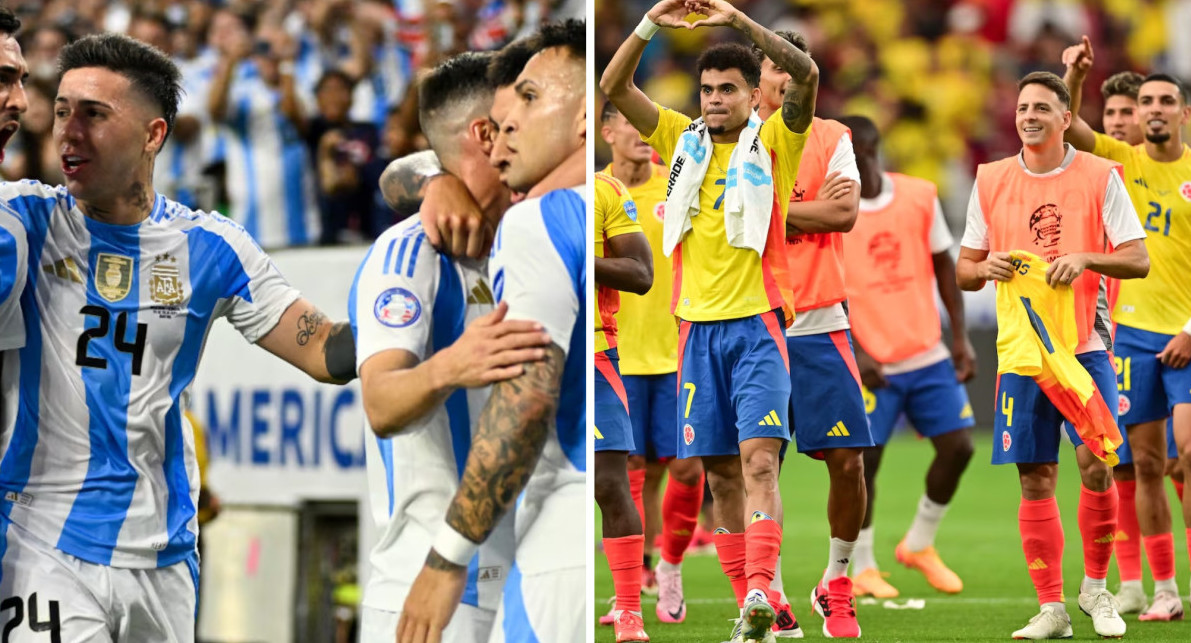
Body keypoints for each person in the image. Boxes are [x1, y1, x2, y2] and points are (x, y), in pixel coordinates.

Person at [0, 32, 357, 641]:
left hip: (164, 555)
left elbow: (324, 350)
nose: (68, 131)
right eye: (60, 111)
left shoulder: (211, 248)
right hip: (40, 542)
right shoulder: (24, 223)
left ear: (153, 135)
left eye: (93, 114)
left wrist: (413, 313)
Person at [601, 0, 832, 638]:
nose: (714, 99)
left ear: (752, 94)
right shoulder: (681, 140)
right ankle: (758, 612)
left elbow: (806, 75)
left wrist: (736, 21)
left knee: (759, 462)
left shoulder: (776, 140)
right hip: (694, 333)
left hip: (757, 326)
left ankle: (762, 591)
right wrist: (651, 22)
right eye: (706, 89)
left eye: (727, 89)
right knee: (721, 474)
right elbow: (613, 88)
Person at [397, 19, 587, 643]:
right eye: (498, 126)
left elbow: (528, 399)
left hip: (559, 546)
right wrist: (433, 178)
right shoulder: (632, 202)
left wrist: (446, 558)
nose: (505, 139)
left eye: (529, 102)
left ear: (584, 117)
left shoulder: (537, 223)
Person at [351, 51, 547, 643]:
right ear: (486, 135)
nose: (534, 131)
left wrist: (430, 177)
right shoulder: (410, 255)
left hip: (520, 581)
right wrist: (452, 365)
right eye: (520, 116)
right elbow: (382, 403)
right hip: (432, 595)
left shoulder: (524, 238)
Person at [956, 71, 1149, 639]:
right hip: (1022, 355)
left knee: (1098, 464)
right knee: (1034, 476)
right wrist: (982, 269)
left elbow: (1137, 259)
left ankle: (1097, 591)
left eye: (1042, 106)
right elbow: (966, 269)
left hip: (1085, 348)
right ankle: (1052, 609)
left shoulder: (1099, 175)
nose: (1029, 116)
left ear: (1067, 117)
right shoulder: (990, 178)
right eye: (1022, 107)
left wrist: (1087, 257)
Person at [1062, 35, 1191, 622]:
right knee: (1143, 464)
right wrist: (1076, 77)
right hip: (1134, 337)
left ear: (1184, 113)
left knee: (1187, 454)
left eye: (1168, 101)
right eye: (1149, 103)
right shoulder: (1123, 162)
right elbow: (1070, 131)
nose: (1156, 110)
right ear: (1139, 115)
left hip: (1187, 333)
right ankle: (1163, 588)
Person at [753, 31, 876, 634]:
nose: (787, 80)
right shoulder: (730, 139)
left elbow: (845, 215)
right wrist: (800, 209)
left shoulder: (832, 137)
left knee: (848, 461)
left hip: (823, 321)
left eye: (796, 71)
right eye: (777, 68)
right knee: (759, 465)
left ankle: (837, 580)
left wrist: (766, 208)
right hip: (755, 319)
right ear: (760, 80)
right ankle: (771, 593)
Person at [836, 114, 976, 598]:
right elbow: (824, 287)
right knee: (864, 464)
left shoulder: (919, 195)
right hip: (871, 360)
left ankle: (919, 543)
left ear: (870, 152)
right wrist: (853, 349)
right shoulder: (834, 213)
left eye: (847, 157)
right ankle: (865, 565)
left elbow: (945, 268)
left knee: (959, 448)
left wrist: (959, 338)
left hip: (925, 351)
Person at [600, 99, 707, 626]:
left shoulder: (678, 184)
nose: (645, 133)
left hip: (678, 349)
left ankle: (670, 566)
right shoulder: (596, 193)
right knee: (630, 474)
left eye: (649, 125)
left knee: (688, 467)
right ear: (607, 131)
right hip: (618, 354)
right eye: (631, 122)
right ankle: (634, 579)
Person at [593, 168, 653, 643]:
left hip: (594, 356)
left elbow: (640, 274)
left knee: (611, 483)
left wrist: (580, 260)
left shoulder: (604, 190)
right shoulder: (514, 192)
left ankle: (629, 611)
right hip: (527, 353)